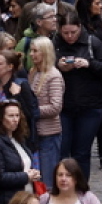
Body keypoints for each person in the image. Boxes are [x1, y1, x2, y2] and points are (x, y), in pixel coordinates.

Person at [54, 11, 102, 179]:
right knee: (63, 151)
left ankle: (81, 190)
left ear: (79, 28)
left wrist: (89, 64)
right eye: (65, 32)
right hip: (65, 107)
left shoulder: (91, 42)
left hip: (90, 106)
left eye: (73, 32)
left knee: (82, 152)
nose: (69, 36)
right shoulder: (55, 44)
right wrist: (58, 66)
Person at [0, 101, 40, 204]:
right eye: (11, 116)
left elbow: (24, 165)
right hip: (8, 202)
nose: (15, 119)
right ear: (1, 118)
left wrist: (33, 173)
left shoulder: (18, 139)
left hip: (26, 197)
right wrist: (26, 176)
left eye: (17, 115)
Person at [27, 38, 63, 189]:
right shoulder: (33, 72)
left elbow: (55, 106)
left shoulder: (53, 76)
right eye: (31, 50)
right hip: (35, 134)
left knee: (47, 179)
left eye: (35, 51)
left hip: (49, 134)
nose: (31, 54)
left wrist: (33, 111)